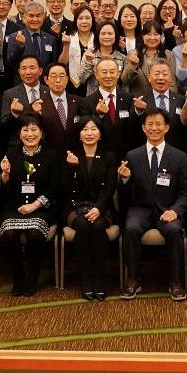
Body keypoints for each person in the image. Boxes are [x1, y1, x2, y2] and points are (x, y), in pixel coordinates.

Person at [119, 108, 187, 301]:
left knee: (175, 231)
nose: (154, 128)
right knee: (131, 229)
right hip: (140, 209)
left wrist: (175, 211)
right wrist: (124, 180)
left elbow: (186, 193)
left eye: (158, 124)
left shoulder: (179, 156)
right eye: (149, 124)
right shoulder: (132, 155)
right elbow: (125, 194)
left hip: (168, 209)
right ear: (143, 128)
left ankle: (175, 282)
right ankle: (133, 279)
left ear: (166, 127)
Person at [0, 114, 60, 296]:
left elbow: (55, 187)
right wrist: (5, 175)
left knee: (34, 233)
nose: (29, 134)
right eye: (25, 130)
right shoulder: (11, 154)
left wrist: (35, 205)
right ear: (19, 133)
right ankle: (18, 278)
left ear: (42, 133)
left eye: (34, 129)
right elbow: (1, 187)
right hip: (14, 208)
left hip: (42, 209)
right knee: (9, 234)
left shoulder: (51, 155)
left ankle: (32, 277)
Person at [62, 116, 117, 300]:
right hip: (75, 207)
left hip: (102, 207)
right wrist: (72, 168)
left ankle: (100, 279)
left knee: (98, 226)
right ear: (79, 134)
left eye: (93, 129)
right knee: (83, 225)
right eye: (85, 129)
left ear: (100, 133)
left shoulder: (109, 156)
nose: (89, 133)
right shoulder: (71, 155)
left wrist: (99, 208)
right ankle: (85, 279)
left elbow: (109, 188)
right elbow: (66, 188)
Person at [78, 58, 139, 158]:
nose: (108, 76)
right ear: (96, 75)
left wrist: (138, 111)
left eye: (112, 72)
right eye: (104, 72)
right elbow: (86, 132)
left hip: (125, 156)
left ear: (118, 74)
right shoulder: (86, 102)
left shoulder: (129, 99)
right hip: (100, 158)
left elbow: (133, 130)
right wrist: (99, 115)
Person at [1, 55, 51, 145]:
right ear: (19, 72)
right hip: (18, 145)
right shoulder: (10, 94)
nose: (27, 72)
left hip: (46, 144)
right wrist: (14, 114)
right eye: (24, 68)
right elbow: (4, 127)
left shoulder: (49, 92)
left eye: (32, 68)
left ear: (40, 71)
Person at [122, 20, 178, 97]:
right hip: (139, 100)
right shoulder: (133, 54)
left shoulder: (169, 55)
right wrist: (132, 65)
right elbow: (125, 80)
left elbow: (172, 83)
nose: (152, 38)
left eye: (156, 34)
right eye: (148, 34)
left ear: (161, 36)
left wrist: (170, 100)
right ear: (142, 36)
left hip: (162, 100)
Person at [38, 62, 82, 157]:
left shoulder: (79, 102)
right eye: (53, 76)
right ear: (46, 79)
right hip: (49, 156)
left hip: (75, 155)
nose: (58, 80)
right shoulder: (39, 104)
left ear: (67, 79)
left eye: (62, 76)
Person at [78, 20, 126, 95]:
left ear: (115, 36)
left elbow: (125, 82)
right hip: (93, 98)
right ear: (97, 36)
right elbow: (82, 80)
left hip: (115, 99)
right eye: (103, 34)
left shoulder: (122, 58)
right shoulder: (89, 54)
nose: (106, 36)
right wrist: (89, 62)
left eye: (110, 33)